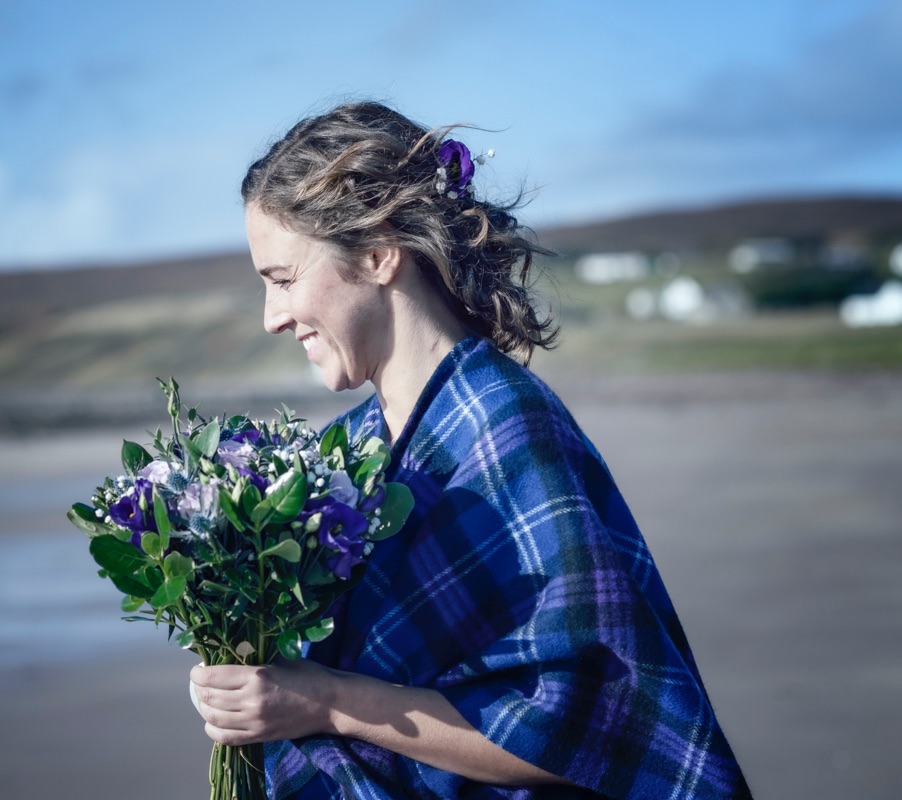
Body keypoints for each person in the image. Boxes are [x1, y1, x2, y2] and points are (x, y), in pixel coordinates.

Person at [189, 101, 752, 799]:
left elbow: (588, 728)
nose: (272, 317)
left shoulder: (504, 424)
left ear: (377, 252)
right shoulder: (350, 448)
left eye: (282, 280)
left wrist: (328, 701)